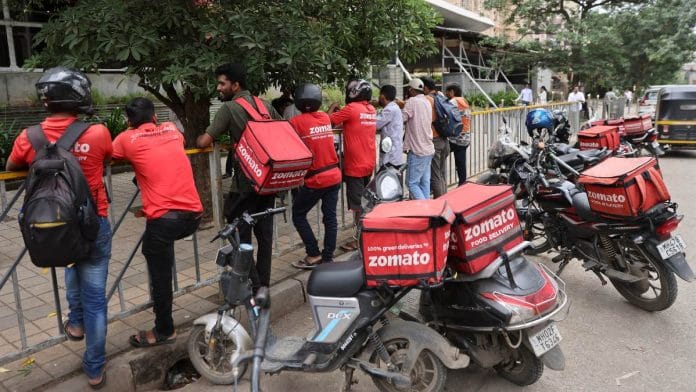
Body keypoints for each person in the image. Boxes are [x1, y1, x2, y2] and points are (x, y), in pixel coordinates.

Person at [6, 67, 112, 389]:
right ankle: (94, 368)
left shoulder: (29, 137)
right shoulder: (98, 133)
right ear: (78, 97)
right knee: (96, 298)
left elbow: (12, 168)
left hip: (53, 225)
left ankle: (75, 323)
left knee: (70, 264)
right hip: (94, 224)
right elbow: (109, 159)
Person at [113, 98, 203, 349]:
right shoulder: (172, 130)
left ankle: (164, 330)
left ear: (129, 122)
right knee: (160, 250)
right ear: (154, 117)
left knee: (159, 275)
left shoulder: (126, 138)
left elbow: (112, 153)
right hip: (194, 216)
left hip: (165, 221)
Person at [197, 63, 282, 291]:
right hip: (268, 183)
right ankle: (263, 284)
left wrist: (198, 139)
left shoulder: (230, 109)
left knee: (239, 234)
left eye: (222, 84)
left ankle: (252, 283)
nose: (219, 88)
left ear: (236, 85)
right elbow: (284, 131)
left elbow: (204, 141)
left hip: (245, 185)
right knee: (265, 236)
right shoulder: (265, 105)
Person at [286, 84, 342, 269]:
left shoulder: (296, 122)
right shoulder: (325, 117)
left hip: (316, 179)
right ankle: (328, 257)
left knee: (298, 214)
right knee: (330, 218)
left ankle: (313, 253)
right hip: (334, 175)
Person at [327, 79, 376, 251]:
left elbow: (328, 121)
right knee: (365, 201)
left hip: (355, 166)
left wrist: (332, 107)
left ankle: (359, 239)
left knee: (357, 205)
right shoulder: (370, 109)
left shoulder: (351, 109)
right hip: (368, 163)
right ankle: (365, 234)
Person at [402, 78, 434, 200]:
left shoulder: (412, 101)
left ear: (411, 90)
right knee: (424, 183)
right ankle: (429, 211)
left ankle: (425, 210)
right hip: (428, 149)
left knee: (411, 183)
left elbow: (402, 118)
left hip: (417, 151)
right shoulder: (426, 101)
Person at [421, 77, 449, 198]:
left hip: (435, 141)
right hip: (444, 139)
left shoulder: (426, 99)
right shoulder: (441, 97)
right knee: (441, 174)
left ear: (425, 87)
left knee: (435, 176)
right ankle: (445, 200)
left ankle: (439, 205)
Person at [445, 83, 470, 185]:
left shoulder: (453, 101)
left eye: (447, 91)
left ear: (452, 92)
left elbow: (444, 112)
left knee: (437, 157)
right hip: (465, 137)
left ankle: (436, 182)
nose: (446, 93)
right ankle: (462, 184)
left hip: (455, 138)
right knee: (461, 164)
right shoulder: (464, 100)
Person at [375, 84, 404, 167]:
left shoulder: (390, 110)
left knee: (387, 177)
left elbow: (376, 124)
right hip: (393, 150)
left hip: (391, 154)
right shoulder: (394, 107)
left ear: (382, 96)